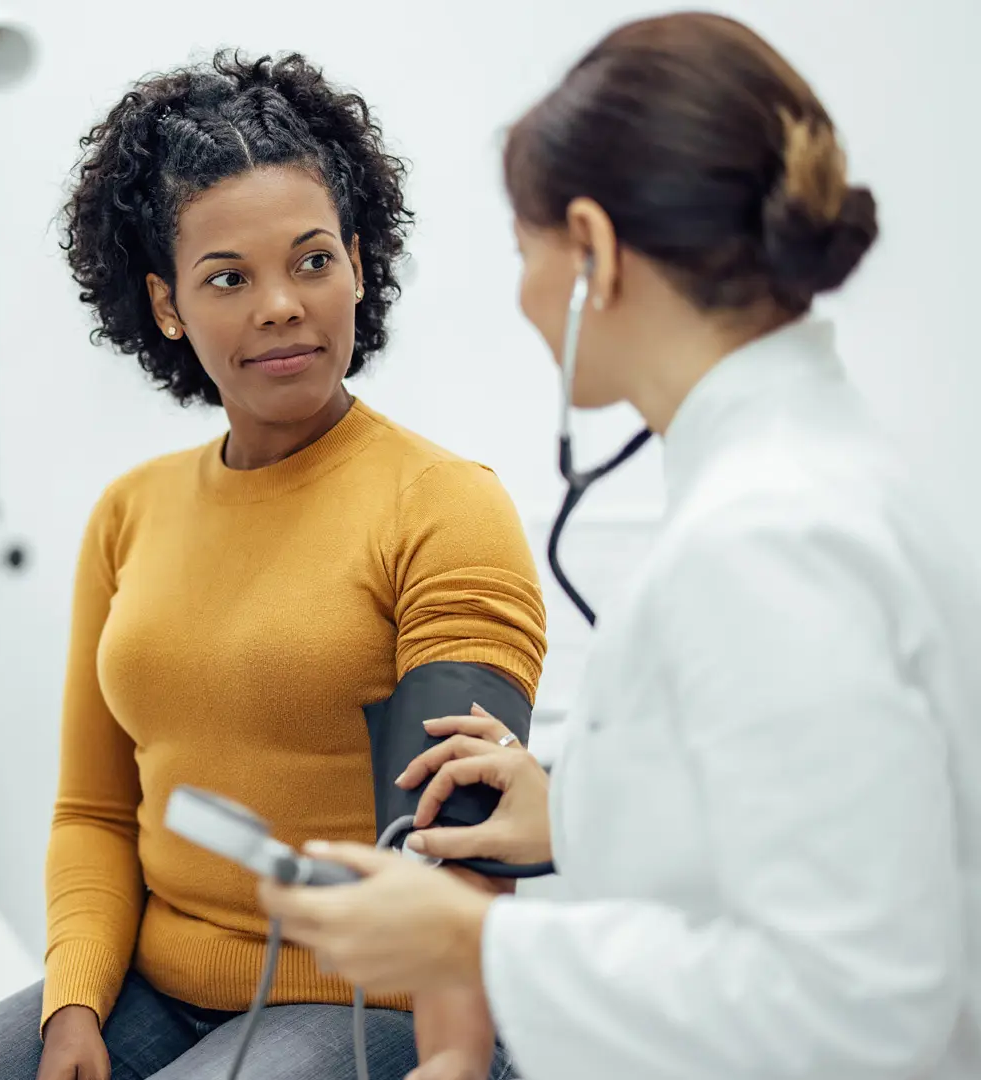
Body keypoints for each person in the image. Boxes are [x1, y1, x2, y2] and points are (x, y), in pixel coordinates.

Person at [260, 13, 981, 1080]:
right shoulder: (814, 481)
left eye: (523, 252)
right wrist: (584, 808)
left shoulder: (768, 542)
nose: (522, 298)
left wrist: (477, 942)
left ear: (592, 248)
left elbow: (862, 1003)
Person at [0, 52, 546, 1080]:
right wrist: (72, 1011)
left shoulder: (444, 506)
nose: (280, 304)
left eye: (313, 260)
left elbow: (458, 852)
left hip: (372, 1004)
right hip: (155, 990)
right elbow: (96, 812)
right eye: (228, 277)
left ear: (361, 265)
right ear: (166, 303)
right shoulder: (131, 514)